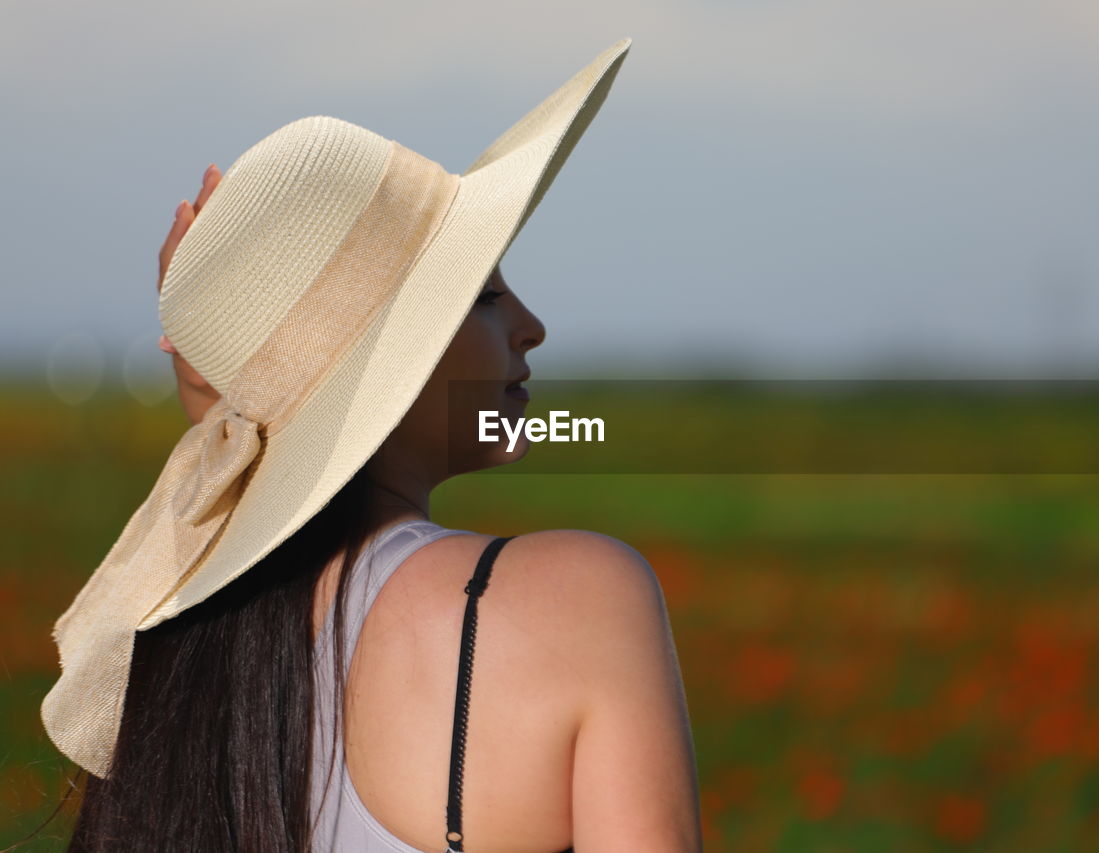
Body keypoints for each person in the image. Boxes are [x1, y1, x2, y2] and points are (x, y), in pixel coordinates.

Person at [33, 40, 702, 853]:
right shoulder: (579, 599)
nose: (530, 325)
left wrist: (248, 391)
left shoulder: (191, 662)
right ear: (391, 356)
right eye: (482, 294)